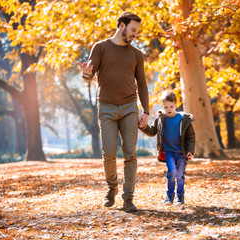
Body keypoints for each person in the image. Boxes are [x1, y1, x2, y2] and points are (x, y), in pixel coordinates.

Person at [78, 12, 149, 212]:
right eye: (133, 30)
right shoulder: (100, 47)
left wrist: (145, 110)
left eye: (137, 31)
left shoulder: (136, 54)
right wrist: (86, 73)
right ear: (121, 25)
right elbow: (89, 75)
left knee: (130, 154)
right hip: (107, 107)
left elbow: (142, 84)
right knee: (108, 153)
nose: (135, 35)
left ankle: (128, 198)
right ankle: (112, 189)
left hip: (129, 107)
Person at [139, 91, 195, 205]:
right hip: (168, 152)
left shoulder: (183, 119)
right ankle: (169, 197)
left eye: (171, 106)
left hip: (181, 153)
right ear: (162, 106)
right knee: (172, 172)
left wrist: (190, 151)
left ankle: (180, 197)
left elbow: (190, 137)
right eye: (166, 107)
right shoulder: (161, 119)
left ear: (176, 105)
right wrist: (142, 126)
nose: (168, 109)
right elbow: (152, 131)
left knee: (179, 175)